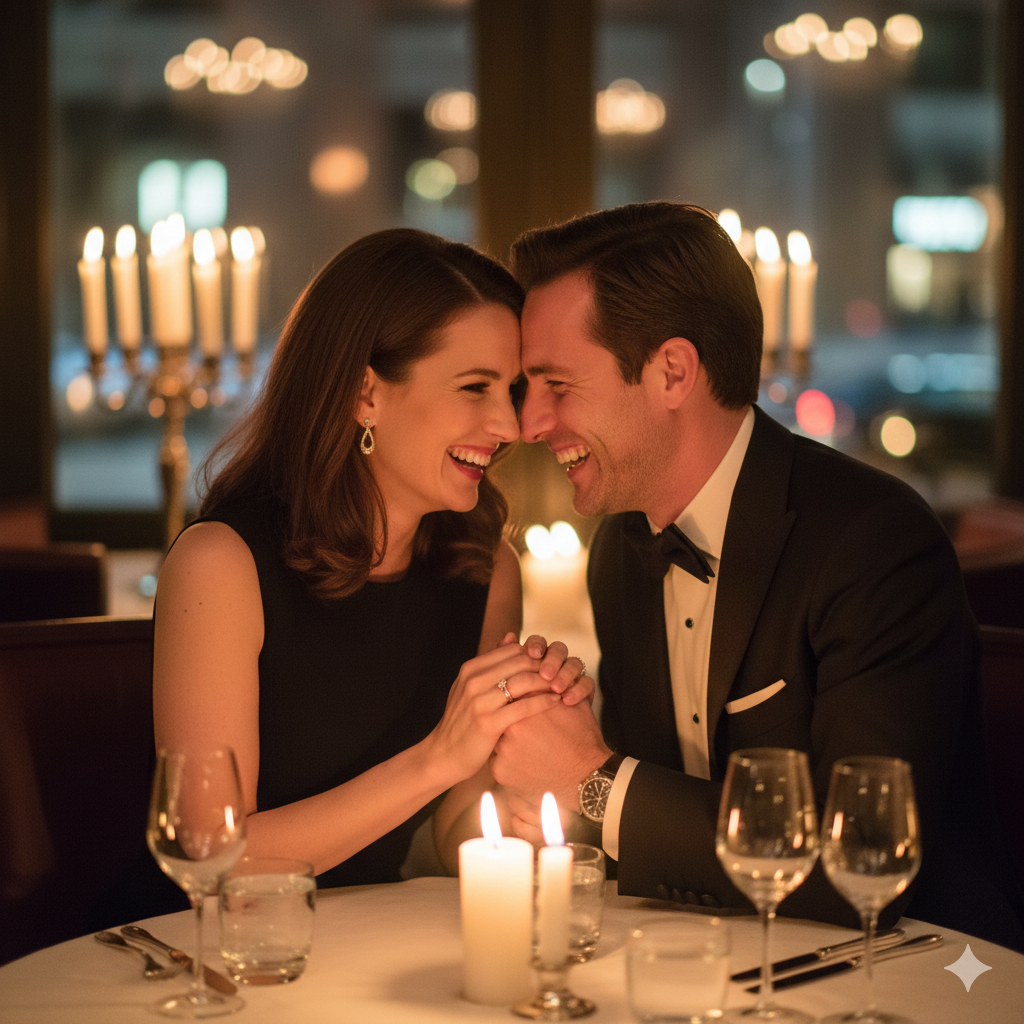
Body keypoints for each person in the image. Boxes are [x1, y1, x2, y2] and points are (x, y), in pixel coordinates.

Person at [489, 202, 1024, 949]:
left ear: (672, 372)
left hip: (925, 964)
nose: (530, 424)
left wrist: (592, 781)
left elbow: (860, 856)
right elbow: (664, 813)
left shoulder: (873, 539)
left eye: (557, 384)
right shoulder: (622, 550)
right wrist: (564, 808)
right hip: (725, 957)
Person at [152, 228, 589, 895]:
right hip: (197, 943)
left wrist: (530, 809)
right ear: (365, 394)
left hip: (361, 936)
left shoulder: (484, 570)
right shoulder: (220, 564)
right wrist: (439, 757)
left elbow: (454, 833)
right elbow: (214, 858)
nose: (509, 425)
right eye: (475, 387)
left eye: (512, 389)